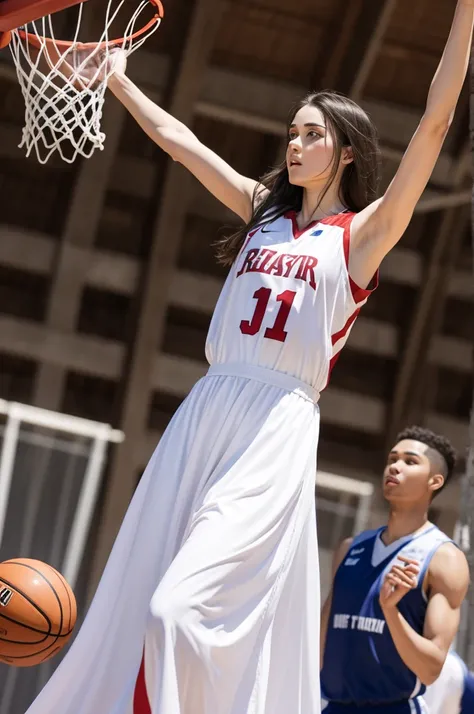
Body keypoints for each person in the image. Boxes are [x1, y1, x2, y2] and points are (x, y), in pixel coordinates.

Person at [26, 2, 474, 713]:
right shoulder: (264, 209)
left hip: (276, 421)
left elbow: (436, 122)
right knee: (140, 600)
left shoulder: (360, 236)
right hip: (207, 408)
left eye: (313, 134)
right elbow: (179, 141)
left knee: (178, 612)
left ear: (347, 150)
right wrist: (113, 77)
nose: (295, 144)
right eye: (292, 132)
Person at [320, 426, 470, 714]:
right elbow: (322, 642)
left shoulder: (443, 558)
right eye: (392, 459)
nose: (395, 467)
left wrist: (391, 611)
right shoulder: (350, 548)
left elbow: (430, 669)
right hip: (333, 706)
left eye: (410, 461)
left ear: (434, 481)